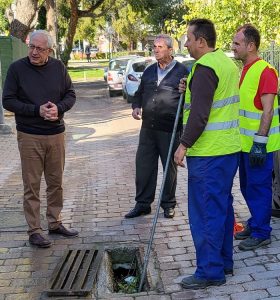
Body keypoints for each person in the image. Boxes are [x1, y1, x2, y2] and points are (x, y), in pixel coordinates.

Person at [174, 19, 240, 289]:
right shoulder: (225, 63)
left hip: (208, 153)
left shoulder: (204, 68)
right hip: (228, 150)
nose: (186, 44)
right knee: (222, 208)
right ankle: (224, 261)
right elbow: (209, 98)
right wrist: (189, 85)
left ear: (201, 41)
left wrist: (183, 144)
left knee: (205, 213)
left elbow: (200, 115)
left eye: (188, 38)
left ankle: (210, 271)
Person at [2, 30, 78, 248]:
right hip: (29, 135)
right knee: (32, 185)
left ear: (49, 51)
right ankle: (35, 230)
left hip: (56, 134)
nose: (34, 52)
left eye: (40, 49)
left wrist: (59, 108)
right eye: (31, 47)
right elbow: (8, 100)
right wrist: (37, 111)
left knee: (56, 183)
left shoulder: (58, 68)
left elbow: (70, 94)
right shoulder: (17, 69)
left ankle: (54, 222)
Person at [125, 34, 188, 219]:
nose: (156, 49)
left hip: (169, 129)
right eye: (154, 46)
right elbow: (140, 92)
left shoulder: (182, 71)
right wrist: (136, 105)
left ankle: (168, 204)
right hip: (148, 128)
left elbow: (190, 99)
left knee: (169, 167)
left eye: (160, 47)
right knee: (143, 166)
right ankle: (143, 204)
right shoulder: (150, 71)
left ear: (170, 50)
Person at [232, 24, 280, 251]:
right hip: (244, 144)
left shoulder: (266, 71)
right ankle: (256, 222)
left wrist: (260, 142)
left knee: (259, 188)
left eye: (237, 43)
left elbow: (268, 110)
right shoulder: (245, 70)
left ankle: (262, 232)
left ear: (251, 46)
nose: (233, 47)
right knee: (247, 187)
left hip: (260, 145)